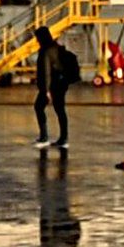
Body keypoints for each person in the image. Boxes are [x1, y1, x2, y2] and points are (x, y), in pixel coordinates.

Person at [35, 22, 82, 153]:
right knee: (60, 110)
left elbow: (46, 72)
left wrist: (46, 91)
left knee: (39, 107)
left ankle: (44, 137)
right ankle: (64, 139)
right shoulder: (56, 47)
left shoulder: (45, 51)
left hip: (52, 85)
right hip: (62, 84)